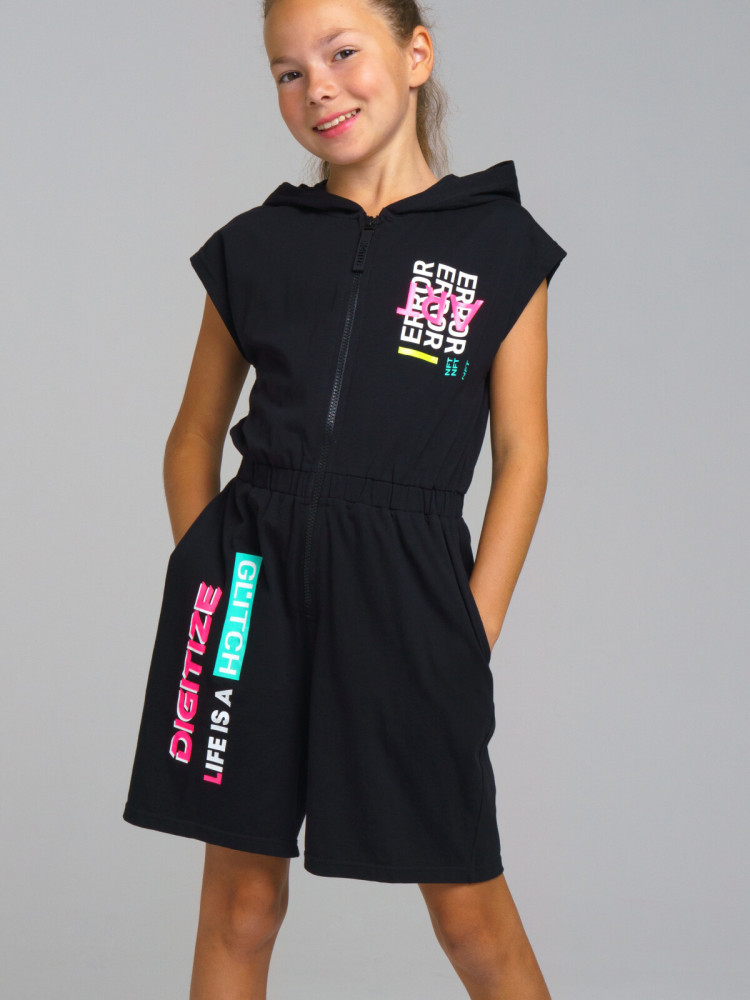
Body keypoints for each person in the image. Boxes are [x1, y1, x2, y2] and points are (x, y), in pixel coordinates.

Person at [122, 0, 567, 996]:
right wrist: (212, 577)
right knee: (241, 904)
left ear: (416, 55)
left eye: (341, 52)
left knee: (468, 913)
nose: (317, 86)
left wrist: (475, 623)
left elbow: (524, 453)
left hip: (411, 592)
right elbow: (193, 436)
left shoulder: (501, 246)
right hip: (249, 592)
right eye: (288, 72)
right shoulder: (255, 245)